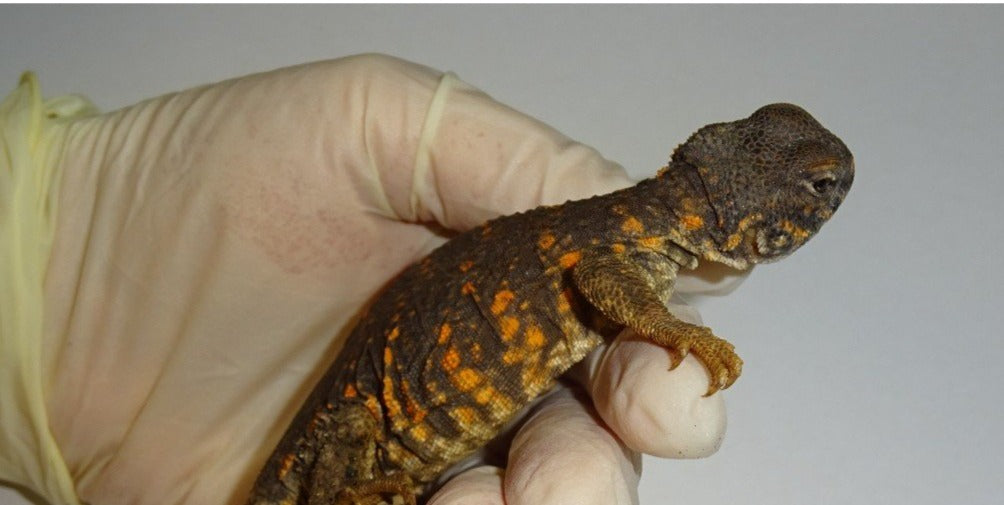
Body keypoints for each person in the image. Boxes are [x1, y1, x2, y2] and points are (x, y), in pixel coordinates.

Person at [0, 54, 743, 505]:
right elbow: (606, 280)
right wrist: (667, 326)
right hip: (354, 433)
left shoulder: (637, 233)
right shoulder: (627, 241)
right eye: (815, 190)